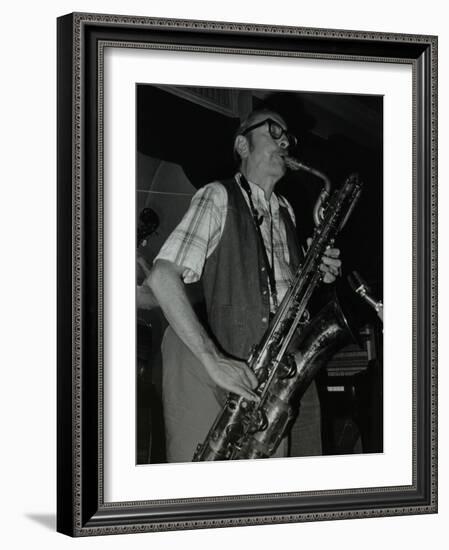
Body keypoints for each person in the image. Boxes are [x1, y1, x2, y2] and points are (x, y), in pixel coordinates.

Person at [145, 108, 341, 463]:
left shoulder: (286, 211)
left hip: (295, 372)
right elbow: (162, 278)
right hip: (252, 373)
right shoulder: (217, 196)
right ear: (242, 144)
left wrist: (318, 274)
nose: (285, 141)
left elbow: (287, 297)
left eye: (288, 137)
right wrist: (212, 358)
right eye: (274, 131)